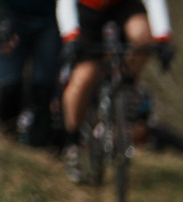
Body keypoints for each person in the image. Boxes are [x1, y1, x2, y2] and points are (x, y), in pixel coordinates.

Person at [56, 0, 175, 183]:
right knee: (85, 75)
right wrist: (70, 37)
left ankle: (125, 85)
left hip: (122, 5)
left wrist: (162, 37)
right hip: (88, 8)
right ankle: (72, 142)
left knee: (142, 37)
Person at [0, 0, 64, 148]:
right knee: (9, 88)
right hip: (12, 22)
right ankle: (4, 141)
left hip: (49, 23)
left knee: (44, 91)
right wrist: (2, 20)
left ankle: (39, 149)